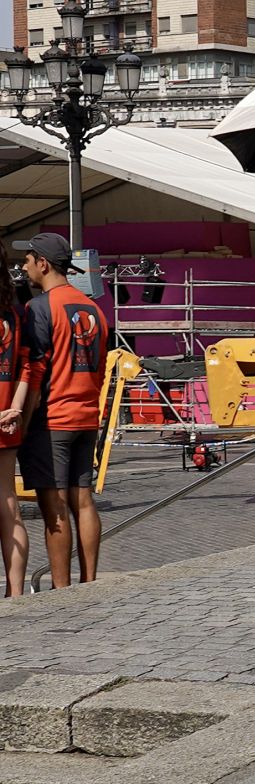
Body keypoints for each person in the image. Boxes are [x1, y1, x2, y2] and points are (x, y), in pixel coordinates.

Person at [12, 233, 107, 588]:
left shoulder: (40, 308)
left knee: (54, 505)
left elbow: (35, 372)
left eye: (28, 260)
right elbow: (100, 367)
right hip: (86, 417)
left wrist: (23, 421)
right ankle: (90, 581)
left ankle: (62, 590)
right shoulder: (94, 308)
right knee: (83, 501)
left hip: (53, 419)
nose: (24, 267)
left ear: (43, 263)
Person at [0, 261, 34, 597]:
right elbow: (27, 366)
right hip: (8, 416)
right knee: (8, 502)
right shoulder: (15, 313)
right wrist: (16, 408)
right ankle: (16, 593)